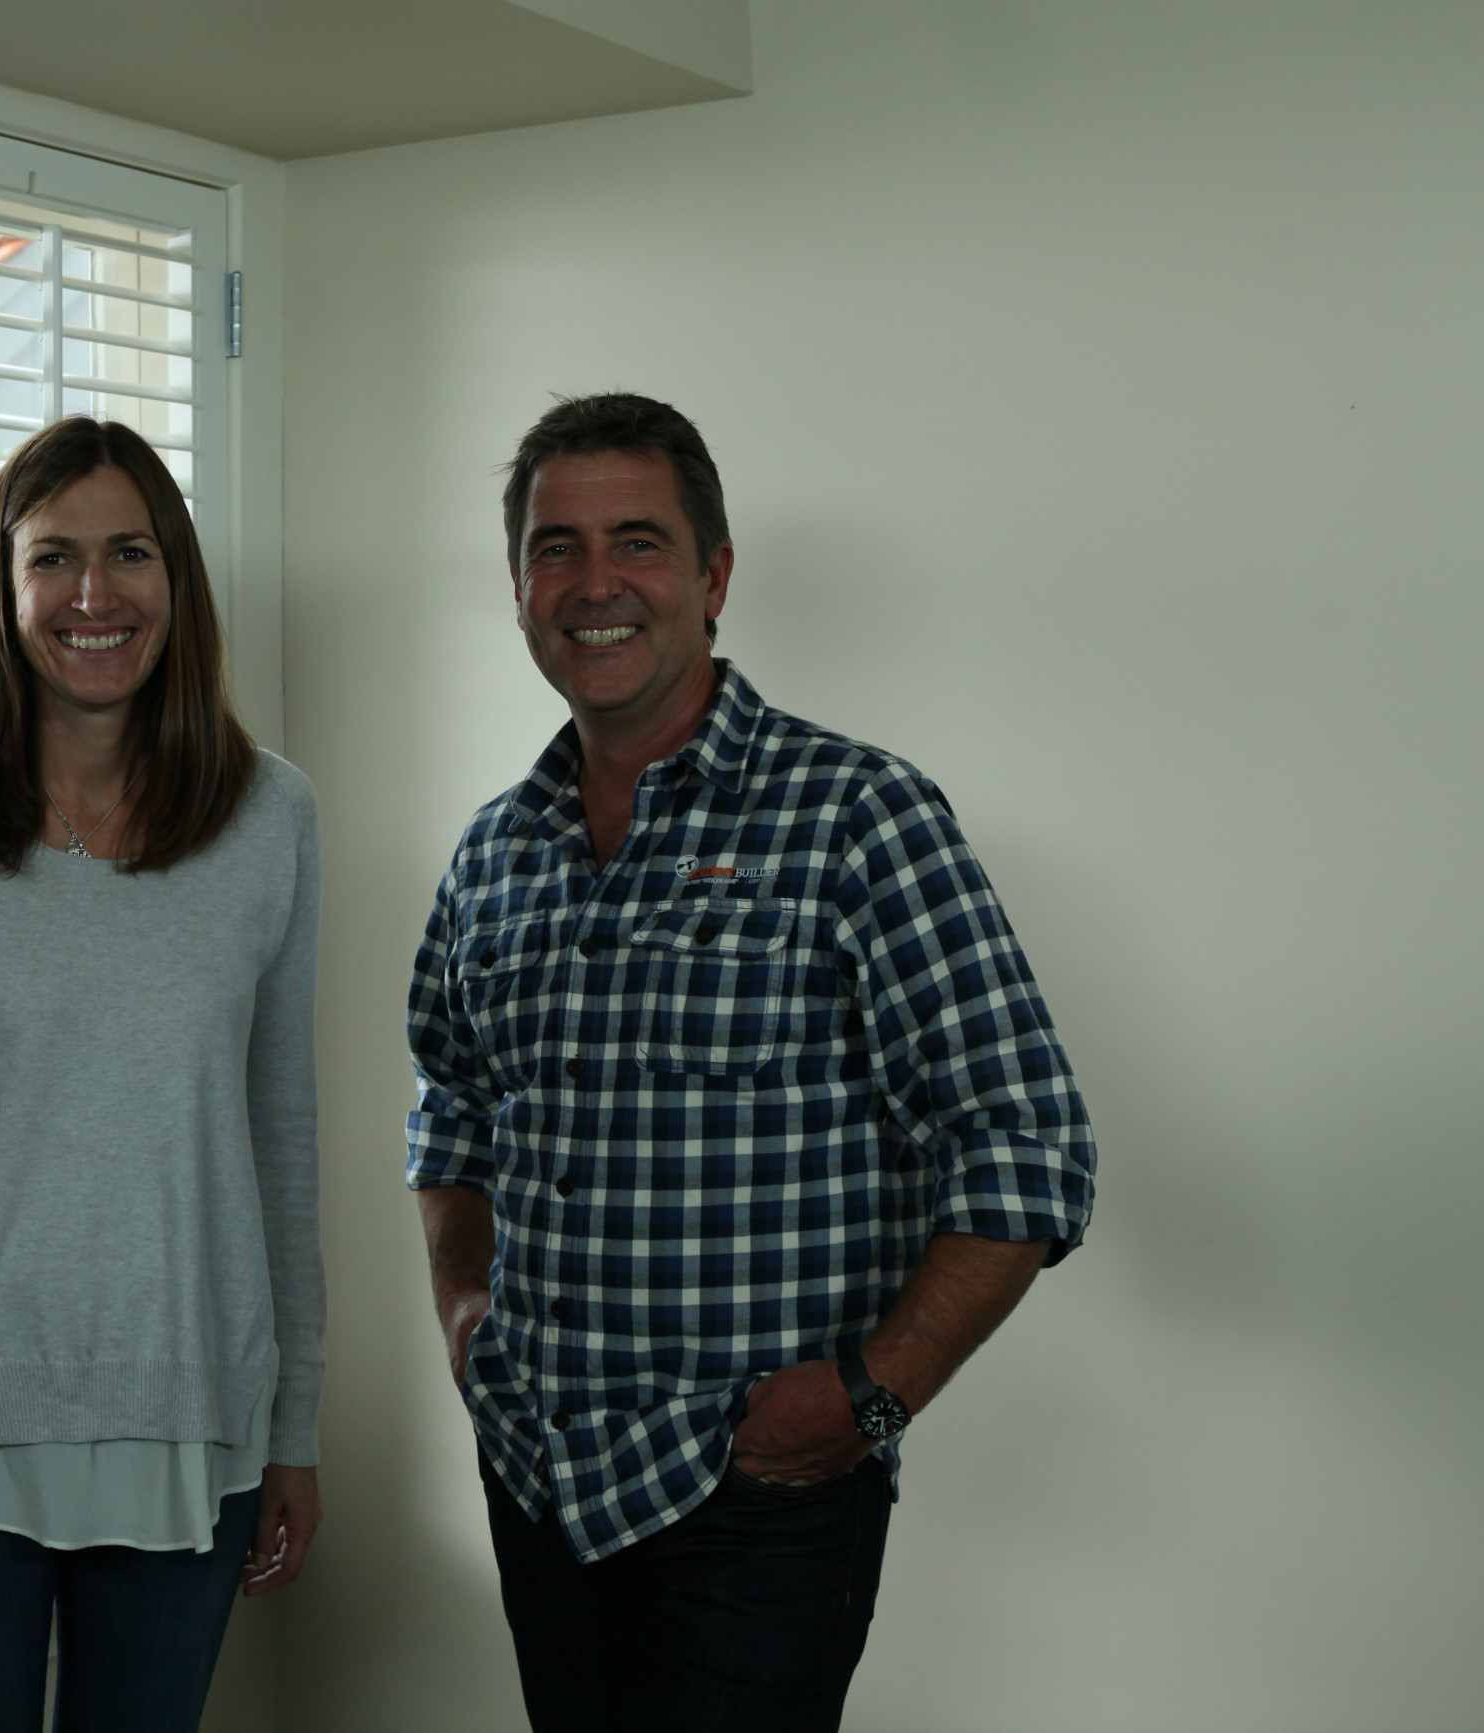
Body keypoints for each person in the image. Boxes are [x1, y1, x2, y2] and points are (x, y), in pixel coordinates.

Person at [407, 393, 1096, 1732]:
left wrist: (869, 1393)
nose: (595, 582)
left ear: (713, 577)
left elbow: (1027, 1140)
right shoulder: (497, 851)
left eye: (638, 541)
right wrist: (461, 1311)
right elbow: (454, 1105)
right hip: (541, 1478)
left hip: (758, 1499)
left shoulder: (858, 817)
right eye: (557, 547)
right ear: (519, 585)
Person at [0, 416, 325, 1732]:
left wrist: (293, 1425)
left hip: (186, 1416)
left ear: (177, 582)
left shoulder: (269, 817)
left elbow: (282, 1136)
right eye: (55, 559)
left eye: (130, 553)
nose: (95, 595)